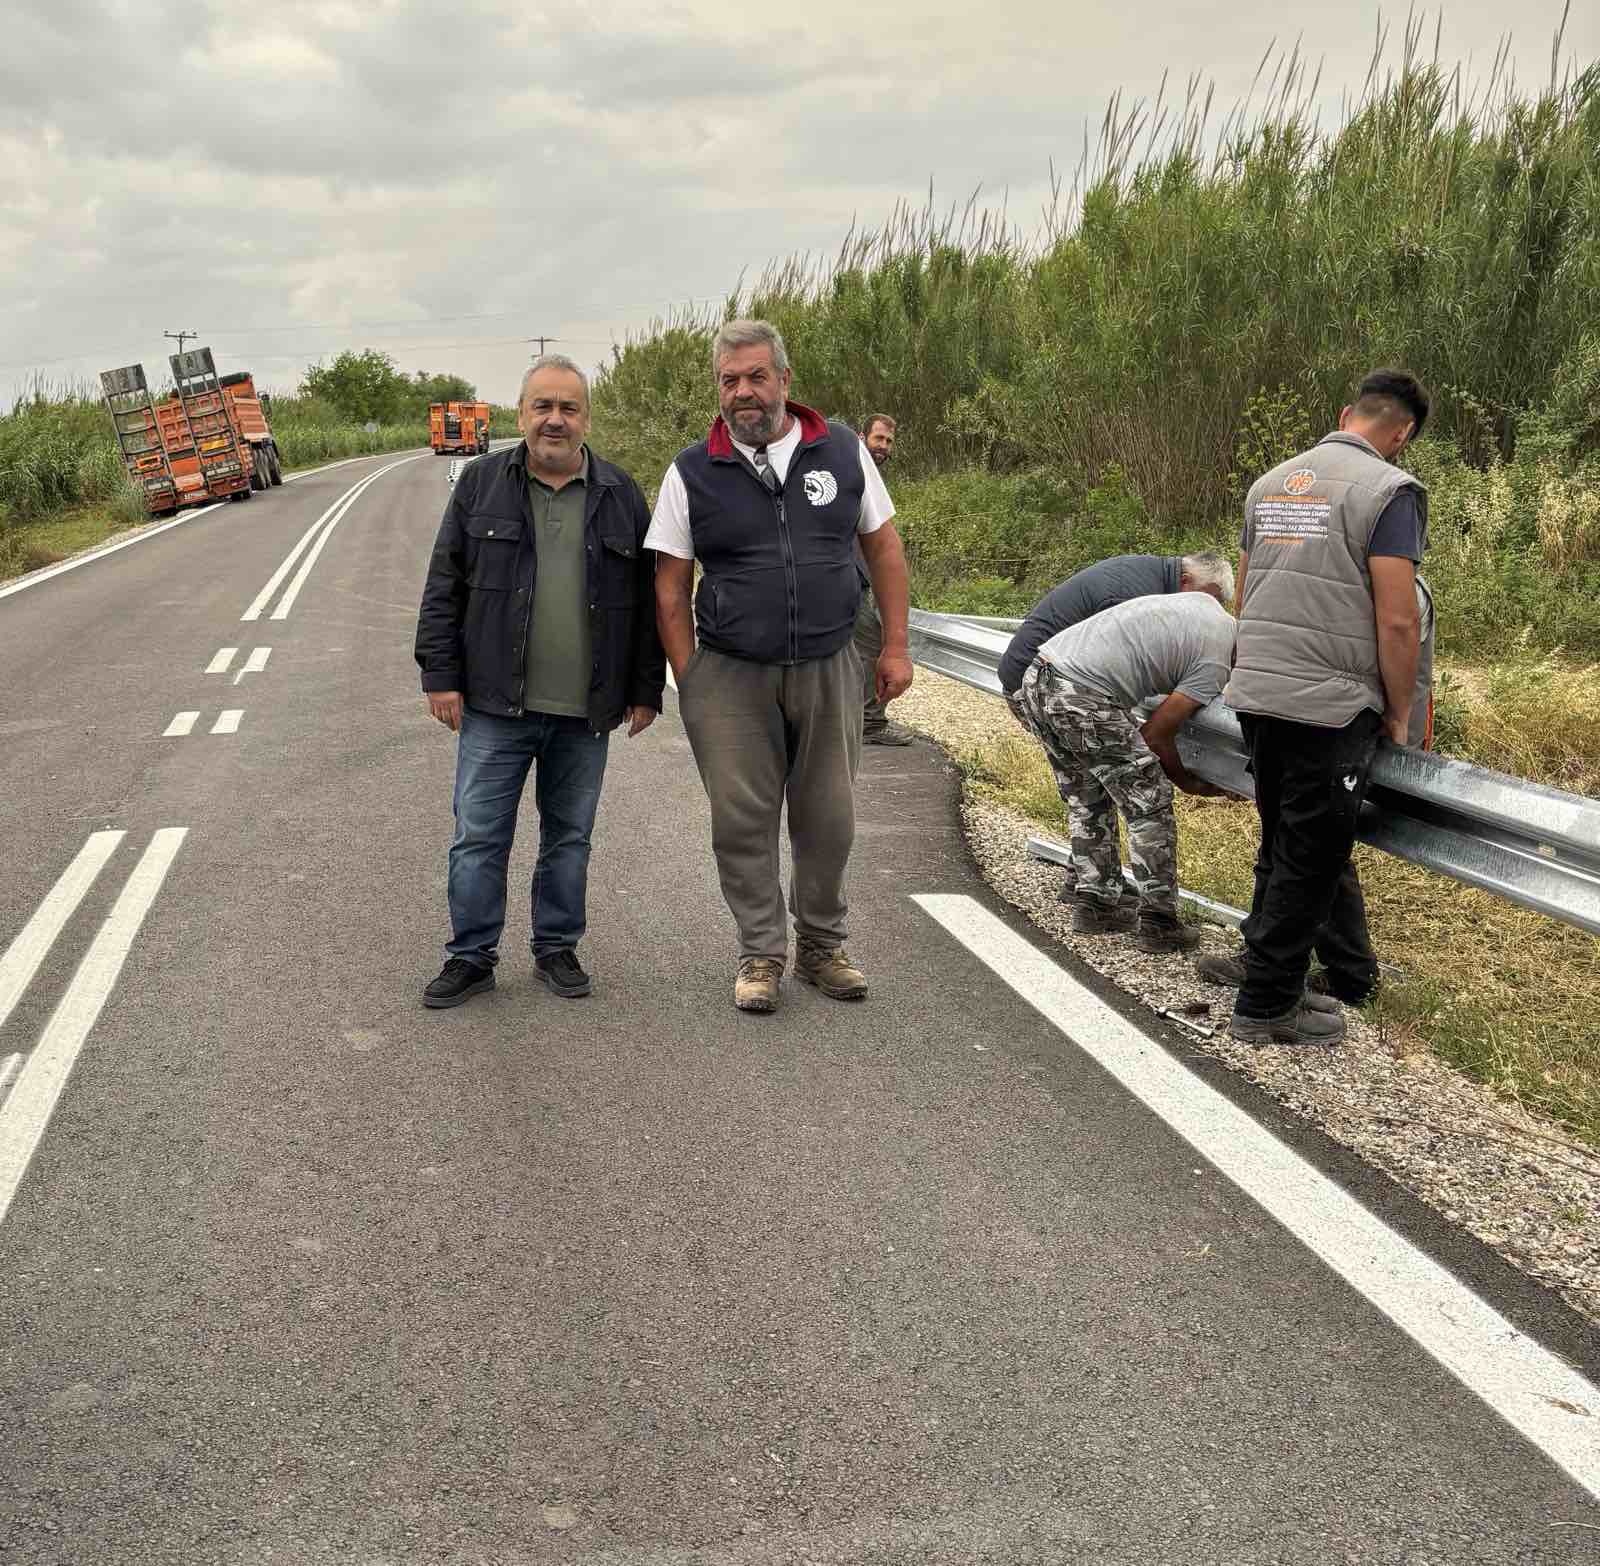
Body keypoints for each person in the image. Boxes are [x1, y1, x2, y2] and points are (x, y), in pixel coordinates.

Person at [648, 320, 913, 1014]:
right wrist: (691, 677)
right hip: (731, 674)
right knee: (741, 820)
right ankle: (761, 951)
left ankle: (823, 946)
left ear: (785, 380)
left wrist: (894, 647)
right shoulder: (690, 470)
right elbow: (670, 584)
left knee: (829, 816)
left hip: (829, 663)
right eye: (730, 381)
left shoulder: (845, 452)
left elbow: (884, 550)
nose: (743, 392)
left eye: (756, 376)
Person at [414, 355, 664, 1009]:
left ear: (585, 417)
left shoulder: (620, 494)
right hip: (496, 703)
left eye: (569, 408)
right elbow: (444, 584)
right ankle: (470, 955)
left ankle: (556, 947)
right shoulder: (480, 484)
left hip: (587, 711)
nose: (555, 420)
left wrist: (645, 689)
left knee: (569, 837)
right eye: (543, 407)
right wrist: (439, 676)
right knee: (478, 835)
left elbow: (646, 603)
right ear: (520, 414)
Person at [1222, 369, 1430, 1047]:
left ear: (1346, 414)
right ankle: (1268, 1002)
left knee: (1281, 836)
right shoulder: (1388, 492)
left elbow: (1246, 591)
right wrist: (1398, 711)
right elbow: (1398, 621)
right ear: (1401, 433)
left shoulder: (1269, 483)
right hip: (1330, 702)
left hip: (1257, 689)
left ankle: (1262, 965)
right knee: (1312, 852)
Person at [1196, 570, 1436, 1001]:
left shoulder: (1400, 589)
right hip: (1311, 719)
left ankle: (1326, 974)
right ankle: (1337, 973)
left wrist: (1394, 727)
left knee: (1311, 847)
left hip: (1354, 727)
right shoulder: (1342, 578)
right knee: (1298, 843)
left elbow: (1393, 653)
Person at [1000, 552, 1235, 902]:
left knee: (1088, 791)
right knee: (1147, 801)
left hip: (1038, 676)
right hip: (1069, 688)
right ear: (1191, 584)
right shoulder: (1214, 650)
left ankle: (1094, 895)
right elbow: (1155, 735)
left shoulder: (1149, 583)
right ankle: (1159, 920)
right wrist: (1188, 783)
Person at [852, 414, 913, 746]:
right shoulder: (853, 467)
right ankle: (870, 723)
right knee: (877, 645)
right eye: (879, 439)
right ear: (863, 437)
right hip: (844, 579)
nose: (884, 447)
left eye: (889, 441)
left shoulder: (871, 474)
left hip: (858, 577)